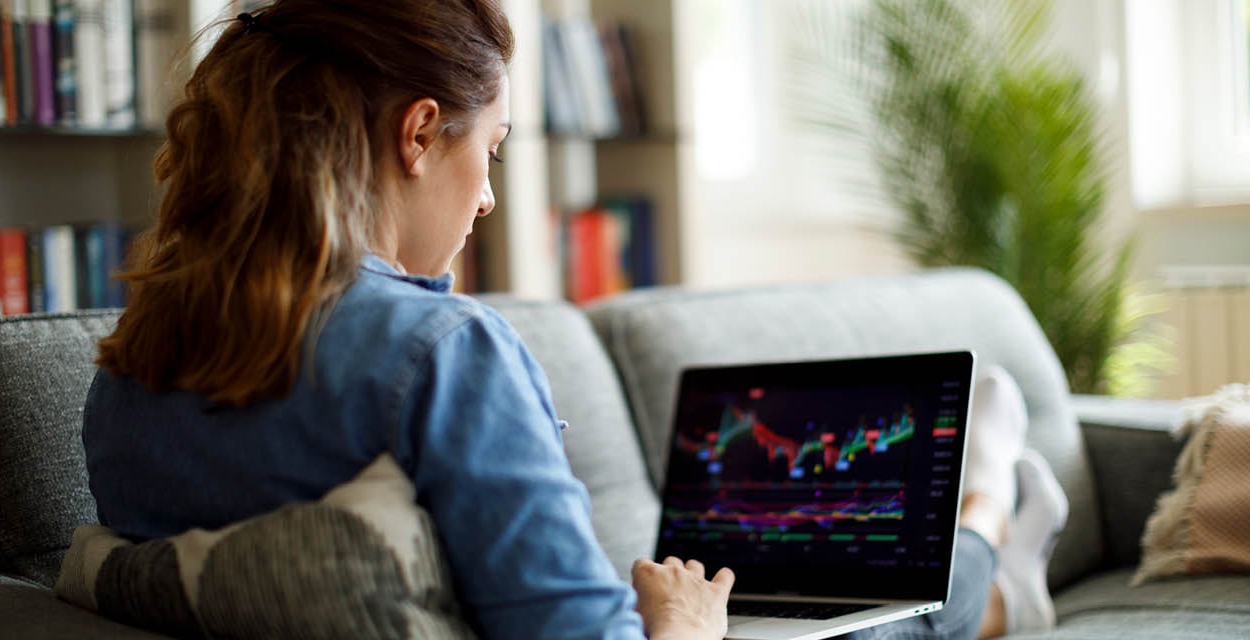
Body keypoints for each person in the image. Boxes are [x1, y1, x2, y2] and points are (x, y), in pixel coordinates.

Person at [80, 2, 1066, 639]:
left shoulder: (123, 378)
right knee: (847, 621)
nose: (487, 202)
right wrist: (680, 626)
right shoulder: (440, 354)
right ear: (418, 134)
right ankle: (984, 537)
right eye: (494, 154)